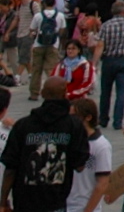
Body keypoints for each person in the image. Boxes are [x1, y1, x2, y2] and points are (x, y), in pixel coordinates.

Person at [3, 78, 88, 212]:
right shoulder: (74, 126)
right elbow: (80, 165)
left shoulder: (23, 125)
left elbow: (10, 168)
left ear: (42, 94)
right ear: (65, 94)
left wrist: (2, 201)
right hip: (56, 202)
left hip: (24, 202)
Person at [93, 10, 124, 132]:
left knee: (105, 91)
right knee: (121, 92)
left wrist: (94, 63)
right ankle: (117, 121)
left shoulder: (106, 25)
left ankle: (103, 119)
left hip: (109, 60)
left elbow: (100, 45)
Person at [65, 98, 110, 212]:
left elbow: (102, 183)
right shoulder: (68, 140)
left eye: (75, 116)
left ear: (88, 117)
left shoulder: (101, 145)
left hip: (84, 206)